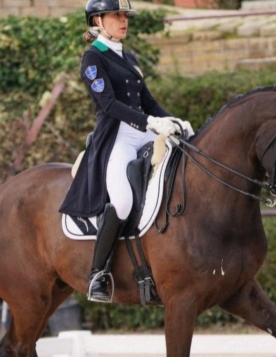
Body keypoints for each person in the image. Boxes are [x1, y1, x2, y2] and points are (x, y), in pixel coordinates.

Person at [59, 0, 194, 303]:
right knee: (122, 202)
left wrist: (173, 120)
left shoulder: (128, 57)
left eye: (125, 16)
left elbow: (148, 102)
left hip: (144, 133)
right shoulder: (93, 58)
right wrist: (150, 122)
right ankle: (98, 274)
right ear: (97, 21)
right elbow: (108, 104)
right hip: (116, 137)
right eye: (116, 15)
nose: (124, 21)